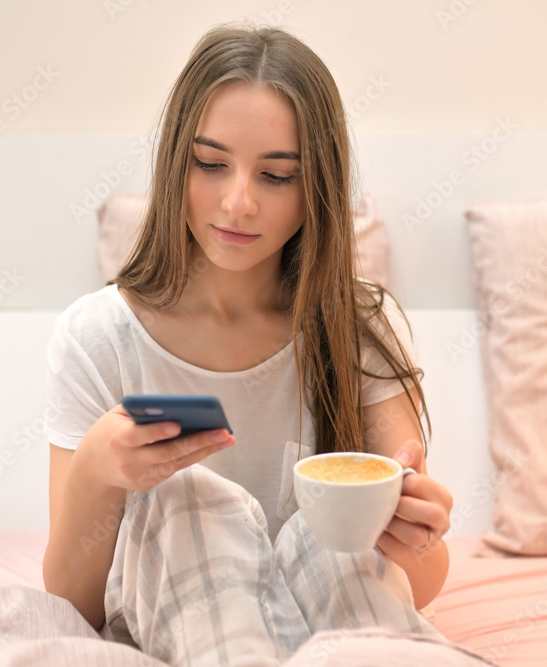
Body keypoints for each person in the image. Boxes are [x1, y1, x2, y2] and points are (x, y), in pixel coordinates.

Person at [41, 23, 479, 666]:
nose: (237, 202)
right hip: (186, 623)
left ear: (316, 190)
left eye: (276, 176)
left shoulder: (358, 330)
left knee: (327, 535)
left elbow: (417, 583)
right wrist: (96, 473)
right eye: (211, 164)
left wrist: (418, 536)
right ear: (174, 163)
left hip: (335, 614)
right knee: (189, 503)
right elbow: (71, 605)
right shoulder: (96, 338)